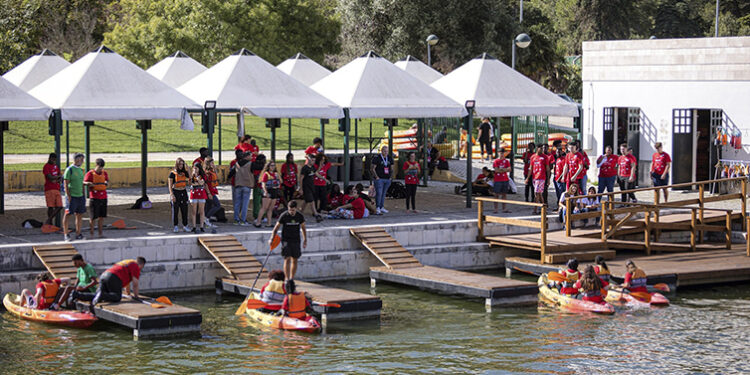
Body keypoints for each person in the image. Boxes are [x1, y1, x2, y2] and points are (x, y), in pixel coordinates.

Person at [77, 257, 147, 311]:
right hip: (114, 277)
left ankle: (77, 295)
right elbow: (135, 284)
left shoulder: (128, 262)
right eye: (142, 267)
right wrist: (136, 296)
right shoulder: (136, 266)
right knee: (116, 297)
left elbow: (128, 282)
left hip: (104, 275)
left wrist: (128, 293)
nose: (140, 269)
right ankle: (102, 294)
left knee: (96, 295)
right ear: (142, 264)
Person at [271, 201, 307, 281]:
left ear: (296, 209)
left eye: (293, 210)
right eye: (290, 210)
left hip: (296, 239)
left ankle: (291, 278)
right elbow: (276, 228)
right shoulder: (284, 215)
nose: (291, 212)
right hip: (286, 240)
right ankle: (286, 278)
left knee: (295, 259)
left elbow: (303, 228)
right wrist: (272, 238)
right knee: (287, 258)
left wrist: (305, 240)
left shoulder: (299, 216)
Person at [62, 153, 86, 241]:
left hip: (80, 196)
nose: (82, 161)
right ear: (76, 159)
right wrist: (68, 196)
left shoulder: (80, 170)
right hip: (72, 196)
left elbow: (82, 183)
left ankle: (78, 233)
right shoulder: (69, 170)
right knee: (68, 214)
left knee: (79, 215)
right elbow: (65, 184)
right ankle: (66, 234)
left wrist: (83, 194)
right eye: (81, 159)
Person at [83, 158, 108, 238]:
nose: (100, 169)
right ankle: (92, 234)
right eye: (99, 167)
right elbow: (84, 182)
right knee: (93, 217)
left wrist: (106, 183)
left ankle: (100, 234)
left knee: (101, 217)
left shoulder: (104, 173)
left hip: (103, 197)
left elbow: (107, 181)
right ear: (96, 165)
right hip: (94, 197)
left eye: (102, 167)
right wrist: (88, 183)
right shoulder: (90, 173)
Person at [227, 151, 254, 225]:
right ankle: (243, 220)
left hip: (238, 185)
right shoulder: (251, 164)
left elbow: (231, 173)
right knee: (245, 204)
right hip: (247, 185)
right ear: (247, 156)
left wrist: (228, 179)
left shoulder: (236, 163)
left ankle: (236, 219)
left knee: (237, 203)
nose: (252, 158)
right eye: (251, 156)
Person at [255, 160, 280, 228]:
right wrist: (265, 191)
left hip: (274, 191)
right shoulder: (266, 174)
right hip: (268, 191)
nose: (273, 167)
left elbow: (279, 182)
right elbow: (263, 184)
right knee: (264, 208)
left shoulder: (276, 174)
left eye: (274, 165)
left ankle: (269, 223)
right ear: (268, 167)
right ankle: (258, 222)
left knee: (270, 208)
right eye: (271, 165)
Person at [168, 158, 190, 232]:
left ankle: (185, 225)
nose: (181, 166)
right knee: (175, 210)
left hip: (183, 192)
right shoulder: (172, 174)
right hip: (176, 192)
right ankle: (175, 226)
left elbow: (190, 178)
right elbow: (170, 186)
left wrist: (188, 169)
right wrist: (172, 195)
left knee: (184, 210)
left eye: (182, 164)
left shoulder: (184, 172)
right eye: (180, 164)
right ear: (177, 164)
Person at [371, 145, 393, 215]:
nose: (385, 152)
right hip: (379, 178)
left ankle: (381, 206)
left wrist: (390, 177)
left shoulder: (389, 158)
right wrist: (376, 176)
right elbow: (372, 168)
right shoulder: (377, 158)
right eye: (384, 151)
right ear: (381, 151)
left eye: (387, 151)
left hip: (387, 178)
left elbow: (392, 168)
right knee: (379, 193)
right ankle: (377, 207)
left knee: (383, 194)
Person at [42, 153, 63, 225]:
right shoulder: (46, 166)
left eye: (55, 160)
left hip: (57, 188)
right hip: (49, 188)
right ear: (49, 158)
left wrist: (56, 179)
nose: (53, 161)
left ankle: (48, 220)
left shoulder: (56, 166)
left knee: (60, 206)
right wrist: (57, 177)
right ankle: (50, 222)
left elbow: (60, 177)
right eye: (52, 159)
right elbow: (50, 177)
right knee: (51, 206)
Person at [299, 155, 321, 221]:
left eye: (314, 160)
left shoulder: (312, 167)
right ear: (308, 160)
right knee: (312, 200)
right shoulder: (305, 168)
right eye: (312, 160)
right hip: (306, 187)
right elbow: (301, 178)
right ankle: (316, 214)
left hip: (311, 186)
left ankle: (299, 214)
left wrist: (324, 179)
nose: (313, 162)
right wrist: (300, 188)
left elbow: (316, 173)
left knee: (306, 201)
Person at [188, 163, 209, 233]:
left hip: (201, 193)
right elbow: (191, 183)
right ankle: (194, 226)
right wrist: (192, 175)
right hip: (194, 193)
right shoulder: (192, 176)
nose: (195, 170)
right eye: (194, 168)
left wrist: (197, 180)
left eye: (196, 168)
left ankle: (201, 226)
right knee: (194, 211)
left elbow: (201, 183)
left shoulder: (202, 176)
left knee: (201, 211)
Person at [528, 146, 549, 214]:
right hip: (534, 177)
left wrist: (548, 179)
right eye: (541, 148)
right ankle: (544, 208)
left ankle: (535, 209)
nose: (542, 150)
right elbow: (531, 168)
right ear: (537, 148)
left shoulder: (545, 157)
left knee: (537, 193)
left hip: (541, 177)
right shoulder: (533, 157)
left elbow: (547, 168)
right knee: (538, 193)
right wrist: (528, 177)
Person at [491, 148, 511, 213]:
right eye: (500, 153)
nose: (501, 154)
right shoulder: (496, 161)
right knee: (496, 194)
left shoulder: (507, 161)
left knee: (504, 194)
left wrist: (501, 170)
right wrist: (504, 170)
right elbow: (496, 170)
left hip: (505, 179)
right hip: (498, 179)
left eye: (502, 153)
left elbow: (509, 169)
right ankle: (495, 208)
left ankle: (504, 208)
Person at [203, 157, 220, 228]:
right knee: (217, 205)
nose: (213, 164)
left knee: (208, 206)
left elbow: (217, 178)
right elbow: (206, 183)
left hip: (212, 191)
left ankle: (206, 221)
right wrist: (209, 193)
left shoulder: (212, 171)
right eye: (212, 163)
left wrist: (215, 169)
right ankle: (206, 218)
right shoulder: (207, 173)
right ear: (208, 164)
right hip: (209, 192)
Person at [251, 154, 266, 220]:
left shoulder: (263, 168)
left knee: (263, 202)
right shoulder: (256, 167)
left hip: (262, 187)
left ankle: (262, 216)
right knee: (257, 202)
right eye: (264, 159)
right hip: (257, 186)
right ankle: (257, 216)